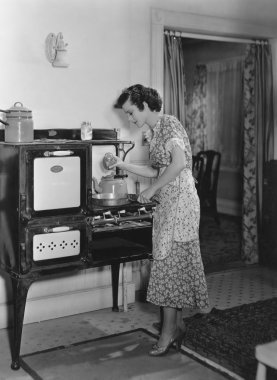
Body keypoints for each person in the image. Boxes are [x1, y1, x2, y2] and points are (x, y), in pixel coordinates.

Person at [110, 84, 209, 357]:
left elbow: (178, 164)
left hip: (181, 205)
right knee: (168, 264)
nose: (130, 119)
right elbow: (156, 170)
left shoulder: (170, 124)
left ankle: (168, 333)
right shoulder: (156, 132)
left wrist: (152, 190)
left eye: (131, 113)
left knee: (169, 265)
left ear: (143, 105)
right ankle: (176, 325)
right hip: (169, 203)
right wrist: (121, 164)